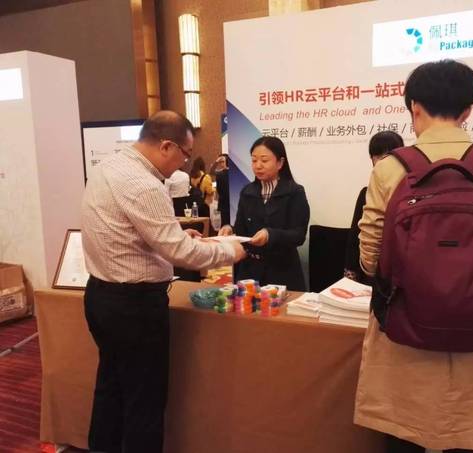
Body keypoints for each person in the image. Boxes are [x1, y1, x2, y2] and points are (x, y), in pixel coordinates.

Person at [354, 60, 473, 453]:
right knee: (470, 429)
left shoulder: (390, 169)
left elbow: (370, 259)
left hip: (402, 333)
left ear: (414, 107)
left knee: (405, 430)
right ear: (468, 110)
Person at [81, 110, 246, 453]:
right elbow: (181, 254)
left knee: (111, 388)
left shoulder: (109, 167)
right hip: (134, 307)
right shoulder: (144, 184)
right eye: (185, 154)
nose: (184, 164)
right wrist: (230, 251)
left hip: (100, 296)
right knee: (144, 401)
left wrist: (177, 234)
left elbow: (129, 232)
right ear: (167, 146)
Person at [218, 136, 310, 290]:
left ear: (280, 163)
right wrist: (230, 229)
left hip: (282, 272)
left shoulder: (294, 192)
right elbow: (242, 230)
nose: (258, 165)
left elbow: (298, 235)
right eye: (254, 160)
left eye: (264, 160)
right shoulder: (247, 192)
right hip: (250, 272)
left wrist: (270, 234)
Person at [344, 131, 403, 282]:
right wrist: (350, 273)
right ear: (372, 159)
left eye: (390, 155)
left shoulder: (410, 193)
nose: (384, 161)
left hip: (401, 269)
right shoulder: (366, 193)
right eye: (378, 156)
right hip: (371, 268)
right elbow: (356, 234)